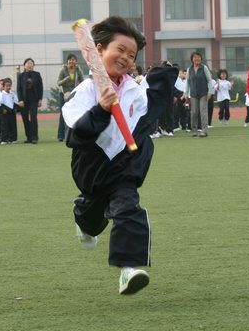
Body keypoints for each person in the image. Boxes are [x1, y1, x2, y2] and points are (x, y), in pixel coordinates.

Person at [62, 16, 177, 295]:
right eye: (120, 49)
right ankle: (83, 219)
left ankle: (128, 269)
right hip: (92, 169)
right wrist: (100, 110)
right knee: (91, 216)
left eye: (131, 54)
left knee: (128, 209)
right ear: (99, 50)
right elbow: (76, 135)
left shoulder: (135, 90)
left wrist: (165, 74)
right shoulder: (86, 91)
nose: (125, 57)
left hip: (124, 168)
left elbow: (152, 105)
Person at [183, 52, 213, 137]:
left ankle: (204, 131)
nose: (197, 59)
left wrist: (210, 92)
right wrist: (186, 93)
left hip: (203, 93)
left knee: (203, 112)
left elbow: (209, 80)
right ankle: (194, 130)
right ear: (192, 59)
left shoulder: (204, 68)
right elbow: (187, 82)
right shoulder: (189, 69)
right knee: (194, 112)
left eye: (198, 57)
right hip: (193, 94)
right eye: (195, 57)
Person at [57, 54, 84, 141]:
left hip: (74, 95)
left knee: (74, 114)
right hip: (64, 94)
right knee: (63, 114)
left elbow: (83, 81)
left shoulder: (78, 70)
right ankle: (61, 136)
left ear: (76, 61)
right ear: (67, 61)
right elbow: (58, 82)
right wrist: (64, 80)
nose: (71, 61)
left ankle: (72, 135)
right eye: (70, 59)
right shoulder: (63, 70)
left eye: (73, 59)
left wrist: (79, 86)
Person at [17, 58, 43, 144]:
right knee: (25, 119)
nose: (29, 65)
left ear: (33, 65)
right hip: (24, 100)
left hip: (34, 100)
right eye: (28, 63)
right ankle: (28, 137)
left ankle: (34, 137)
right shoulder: (21, 76)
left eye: (31, 63)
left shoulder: (37, 74)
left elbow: (40, 87)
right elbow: (19, 89)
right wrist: (20, 100)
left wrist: (40, 99)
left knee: (33, 118)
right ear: (24, 65)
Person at [0, 78, 19, 144]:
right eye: (7, 86)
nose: (8, 87)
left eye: (9, 86)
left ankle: (13, 139)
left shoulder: (12, 94)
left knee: (13, 125)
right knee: (4, 126)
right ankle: (4, 139)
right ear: (3, 87)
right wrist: (2, 109)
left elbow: (16, 102)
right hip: (5, 112)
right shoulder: (2, 95)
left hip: (12, 112)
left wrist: (16, 108)